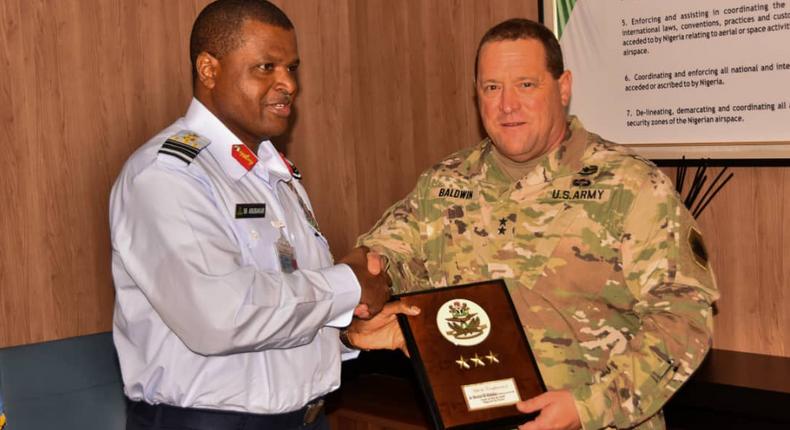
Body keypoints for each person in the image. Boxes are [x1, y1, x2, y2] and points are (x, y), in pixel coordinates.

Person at [350, 18, 719, 430]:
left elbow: (684, 318)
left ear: (563, 88)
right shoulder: (444, 184)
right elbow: (385, 260)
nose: (507, 104)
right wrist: (359, 302)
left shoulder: (630, 186)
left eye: (526, 84)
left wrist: (589, 407)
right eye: (492, 87)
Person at [109, 1, 391, 429]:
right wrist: (348, 285)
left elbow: (282, 299)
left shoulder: (268, 168)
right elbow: (222, 317)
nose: (288, 84)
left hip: (306, 417)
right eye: (266, 67)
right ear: (209, 70)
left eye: (292, 68)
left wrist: (347, 330)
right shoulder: (167, 176)